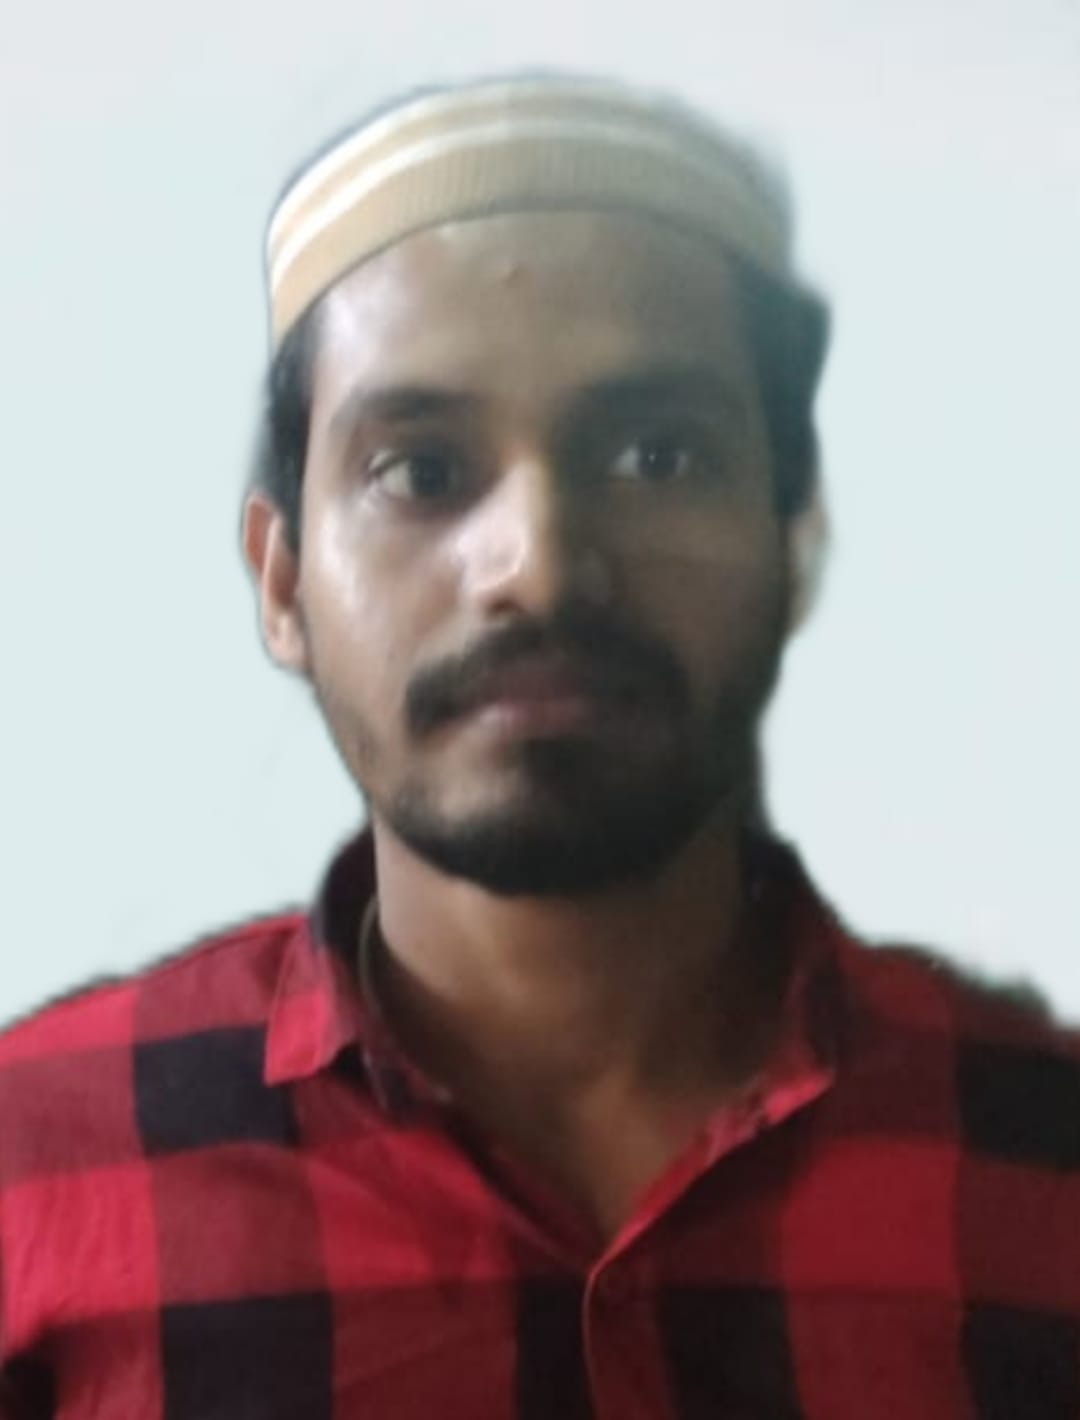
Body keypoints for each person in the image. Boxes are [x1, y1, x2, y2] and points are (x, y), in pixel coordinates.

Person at [1, 72, 1077, 1420]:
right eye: (421, 470)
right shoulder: (35, 1175)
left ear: (793, 542)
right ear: (281, 583)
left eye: (658, 457)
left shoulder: (1044, 1162)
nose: (543, 568)